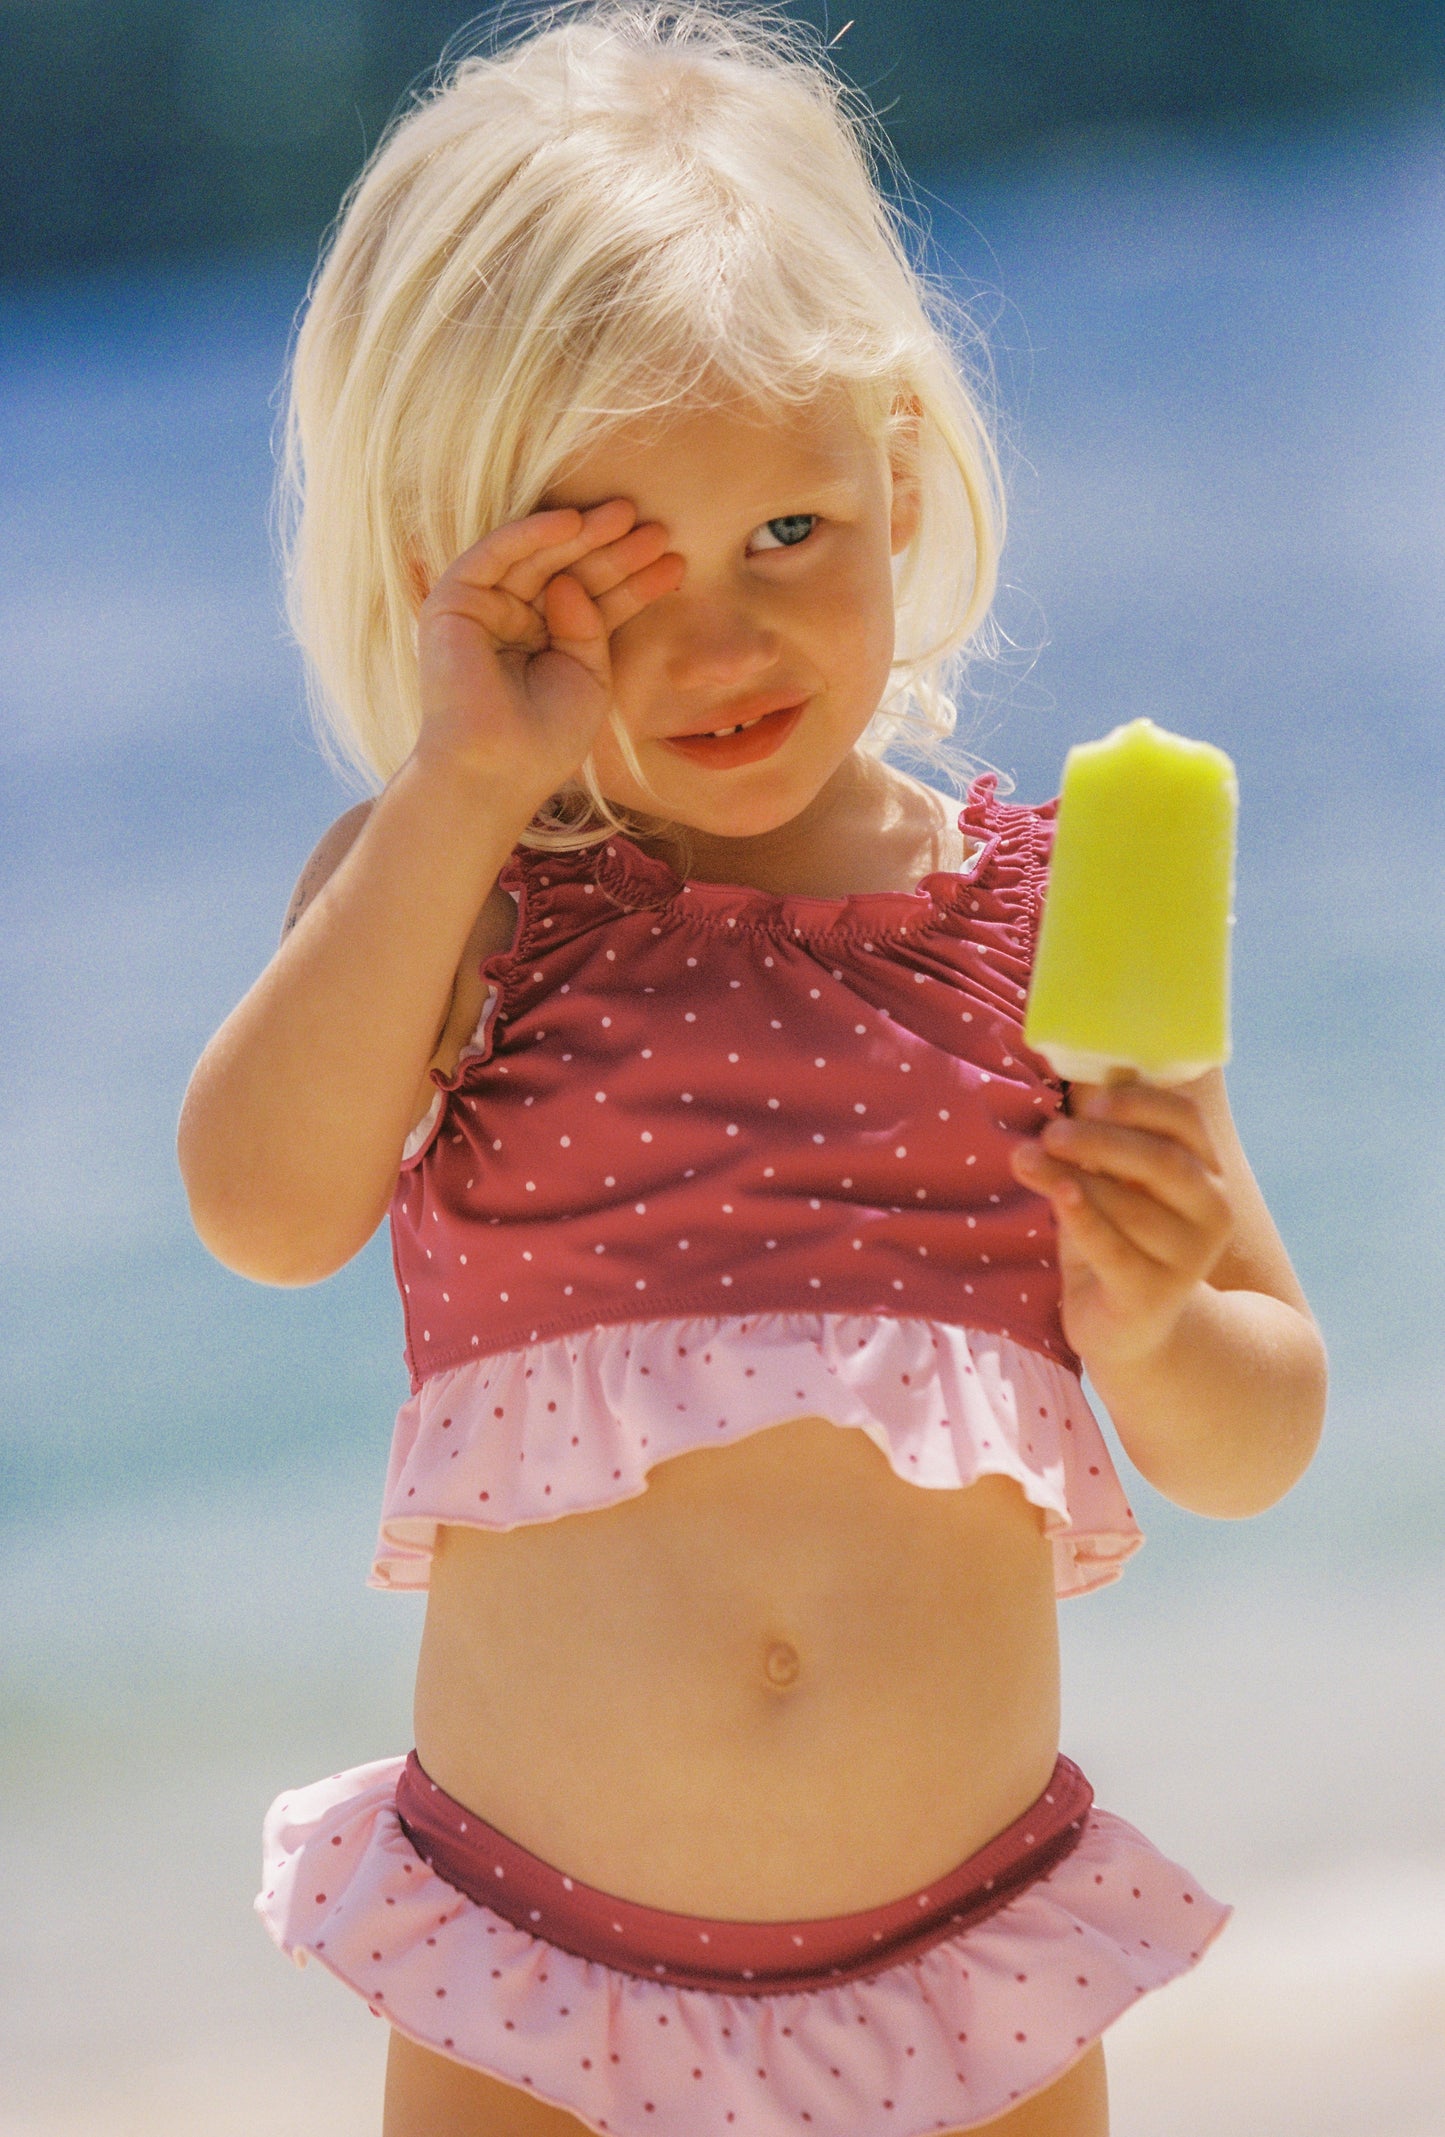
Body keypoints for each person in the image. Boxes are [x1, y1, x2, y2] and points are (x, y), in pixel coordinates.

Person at [177, 6, 1328, 2133]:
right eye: (623, 571)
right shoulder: (459, 901)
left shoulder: (1046, 921)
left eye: (791, 533)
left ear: (896, 468)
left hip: (962, 1961)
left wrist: (1151, 1317)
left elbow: (1258, 1426)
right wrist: (455, 791)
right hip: (531, 1967)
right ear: (465, 575)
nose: (724, 642)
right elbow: (261, 1210)